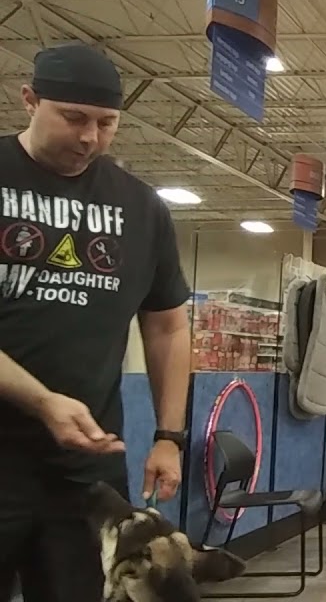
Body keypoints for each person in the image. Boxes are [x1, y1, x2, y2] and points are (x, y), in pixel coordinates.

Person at [0, 43, 193, 601]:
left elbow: (168, 326)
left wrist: (169, 437)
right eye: (74, 118)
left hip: (85, 473)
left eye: (107, 123)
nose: (90, 137)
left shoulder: (141, 208)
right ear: (29, 100)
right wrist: (41, 402)